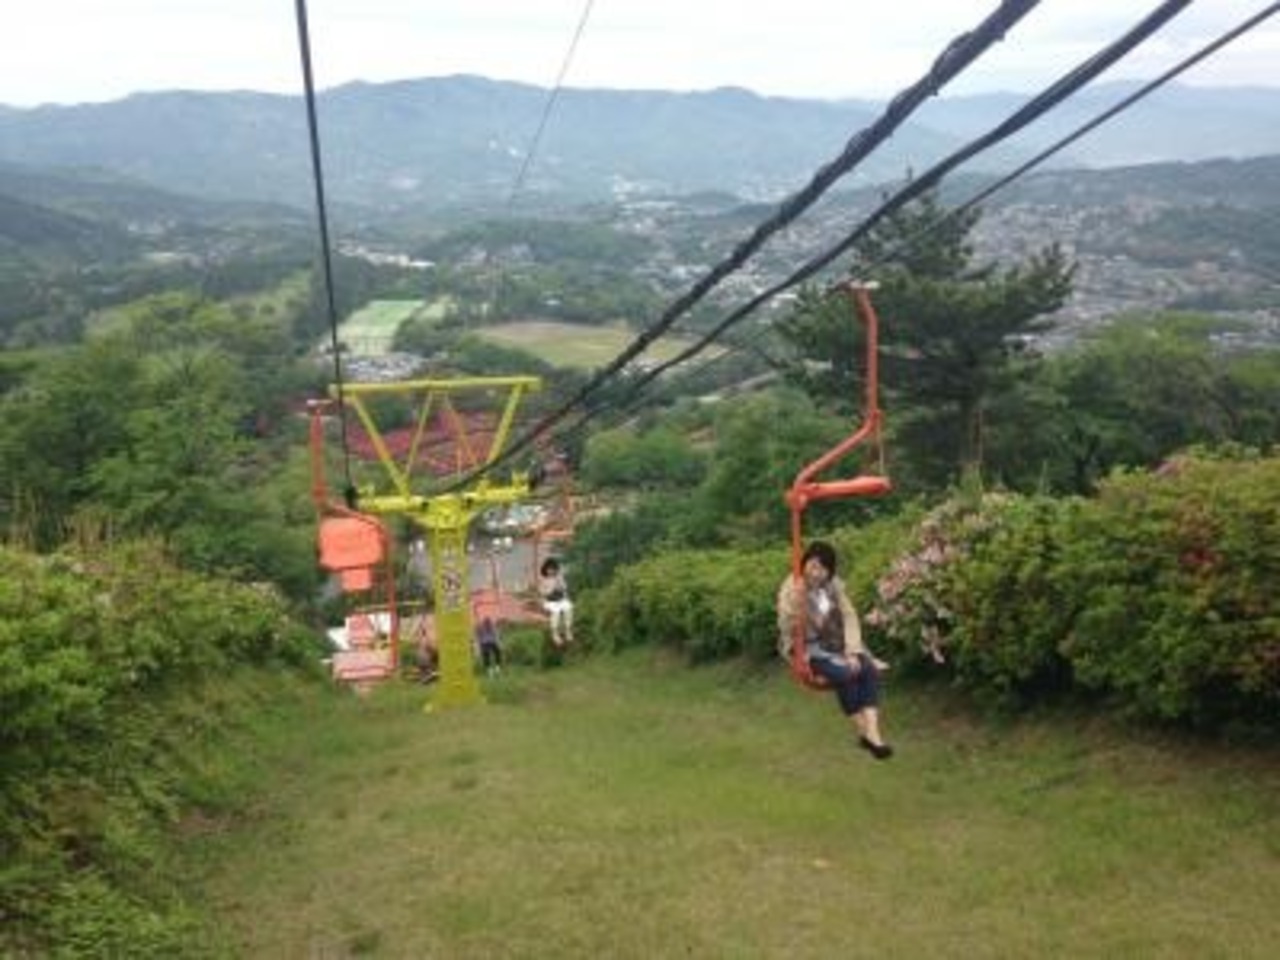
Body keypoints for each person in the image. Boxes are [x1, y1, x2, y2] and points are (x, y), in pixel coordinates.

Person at [777, 540, 894, 760]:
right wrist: (798, 603)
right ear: (804, 564)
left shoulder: (833, 587)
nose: (815, 573)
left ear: (829, 571)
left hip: (836, 643)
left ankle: (874, 734)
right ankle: (865, 733)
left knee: (868, 669)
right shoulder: (792, 587)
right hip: (809, 649)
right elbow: (787, 622)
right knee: (846, 674)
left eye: (822, 568)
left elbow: (849, 616)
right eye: (812, 566)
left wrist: (851, 651)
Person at [539, 557, 574, 648]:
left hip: (560, 599)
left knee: (569, 608)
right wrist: (551, 590)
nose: (551, 571)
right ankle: (555, 635)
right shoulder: (544, 581)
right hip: (550, 601)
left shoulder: (559, 578)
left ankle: (568, 631)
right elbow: (543, 593)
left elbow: (564, 588)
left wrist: (559, 581)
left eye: (553, 569)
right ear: (545, 570)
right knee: (556, 612)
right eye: (549, 569)